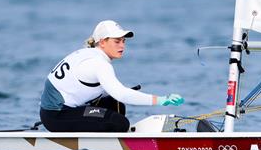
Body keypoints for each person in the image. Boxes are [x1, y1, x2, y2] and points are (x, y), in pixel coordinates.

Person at [39, 20, 184, 132]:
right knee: (120, 123)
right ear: (102, 42)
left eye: (123, 41)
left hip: (62, 109)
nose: (122, 46)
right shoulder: (99, 64)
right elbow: (122, 94)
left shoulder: (87, 54)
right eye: (117, 41)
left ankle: (103, 135)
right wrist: (161, 100)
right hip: (57, 115)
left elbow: (115, 94)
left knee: (116, 104)